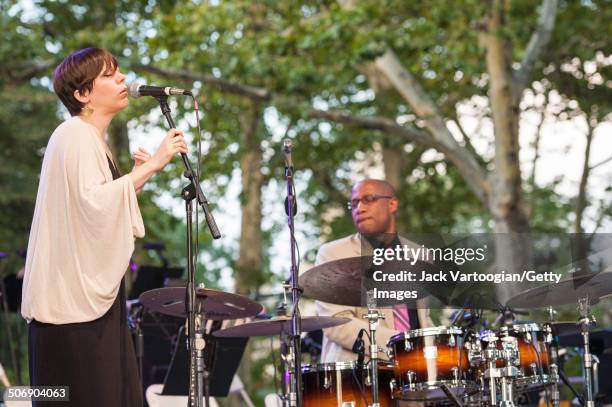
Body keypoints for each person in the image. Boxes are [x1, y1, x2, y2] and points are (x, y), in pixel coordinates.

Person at [21, 47, 188, 407]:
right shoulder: (74, 134)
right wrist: (154, 164)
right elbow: (93, 205)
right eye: (111, 75)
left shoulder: (93, 140)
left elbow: (94, 209)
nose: (123, 78)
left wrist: (133, 178)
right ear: (82, 94)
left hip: (88, 309)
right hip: (71, 317)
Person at [314, 179, 433, 363]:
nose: (359, 208)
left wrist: (437, 350)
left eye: (369, 199)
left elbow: (421, 320)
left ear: (392, 204)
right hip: (356, 380)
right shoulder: (332, 254)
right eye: (354, 203)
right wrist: (402, 347)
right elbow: (336, 323)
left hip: (415, 376)